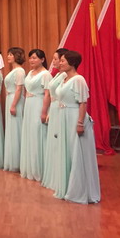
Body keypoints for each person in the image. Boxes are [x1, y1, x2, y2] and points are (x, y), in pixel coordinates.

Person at [53, 50, 101, 204]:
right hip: (64, 117)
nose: (60, 63)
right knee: (67, 152)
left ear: (72, 63)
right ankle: (67, 187)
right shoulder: (64, 79)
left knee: (76, 153)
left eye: (63, 61)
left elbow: (82, 103)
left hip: (74, 117)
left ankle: (78, 191)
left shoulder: (79, 79)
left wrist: (80, 123)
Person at [19, 48, 51, 181]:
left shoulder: (46, 74)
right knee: (29, 134)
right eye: (30, 58)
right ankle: (30, 167)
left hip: (39, 104)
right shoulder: (30, 72)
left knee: (38, 134)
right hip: (29, 105)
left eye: (34, 58)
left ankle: (40, 169)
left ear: (42, 59)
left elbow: (48, 94)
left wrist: (44, 112)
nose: (31, 60)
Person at [42, 48, 68, 191]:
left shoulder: (64, 75)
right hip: (53, 108)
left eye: (56, 59)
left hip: (58, 108)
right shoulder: (58, 74)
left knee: (58, 141)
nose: (54, 61)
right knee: (52, 141)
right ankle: (54, 174)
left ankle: (60, 176)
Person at [3, 47, 26, 172]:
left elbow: (19, 89)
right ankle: (12, 159)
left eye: (11, 54)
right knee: (11, 128)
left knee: (16, 128)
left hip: (15, 100)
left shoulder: (20, 71)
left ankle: (17, 161)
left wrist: (13, 105)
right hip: (10, 98)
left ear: (17, 56)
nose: (8, 56)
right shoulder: (14, 70)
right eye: (8, 54)